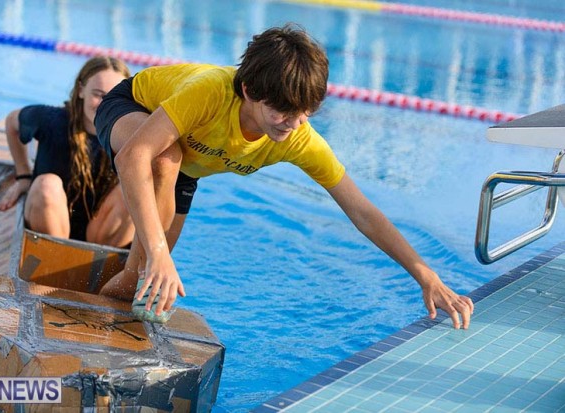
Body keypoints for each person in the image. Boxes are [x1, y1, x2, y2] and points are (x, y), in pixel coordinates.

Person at [95, 23, 474, 328]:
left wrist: (426, 277)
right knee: (163, 171)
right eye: (282, 112)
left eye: (304, 113)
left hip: (185, 166)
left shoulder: (297, 137)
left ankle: (92, 319)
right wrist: (157, 253)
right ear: (249, 91)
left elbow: (362, 211)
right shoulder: (209, 93)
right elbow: (134, 157)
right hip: (134, 111)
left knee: (138, 283)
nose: (292, 124)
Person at [0, 56, 134, 248]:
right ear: (81, 90)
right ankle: (59, 256)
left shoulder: (128, 138)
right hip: (48, 227)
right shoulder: (51, 120)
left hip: (99, 235)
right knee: (47, 184)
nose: (104, 105)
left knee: (134, 191)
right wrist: (23, 176)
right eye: (98, 95)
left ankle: (104, 259)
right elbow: (12, 122)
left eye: (113, 98)